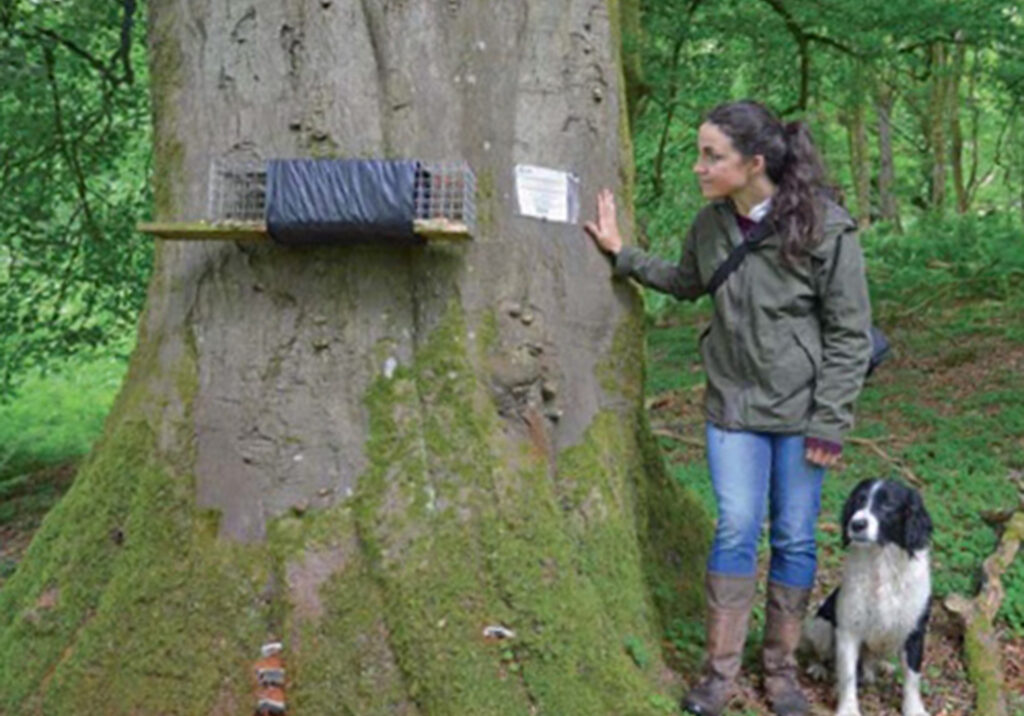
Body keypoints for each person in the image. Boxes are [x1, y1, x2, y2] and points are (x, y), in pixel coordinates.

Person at [584, 100, 872, 716]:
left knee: (795, 538)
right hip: (733, 407)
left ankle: (780, 673)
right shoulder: (711, 226)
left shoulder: (825, 226)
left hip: (802, 415)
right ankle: (717, 676)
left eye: (712, 156)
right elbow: (688, 282)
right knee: (737, 527)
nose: (698, 167)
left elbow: (851, 336)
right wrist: (622, 254)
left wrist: (830, 422)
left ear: (754, 163)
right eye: (699, 153)